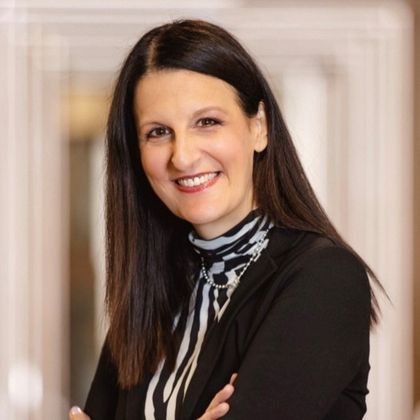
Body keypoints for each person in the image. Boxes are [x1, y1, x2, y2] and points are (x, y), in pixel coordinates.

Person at [69, 19, 384, 420]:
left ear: (259, 127)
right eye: (159, 132)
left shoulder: (324, 278)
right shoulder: (150, 295)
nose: (183, 156)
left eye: (207, 122)